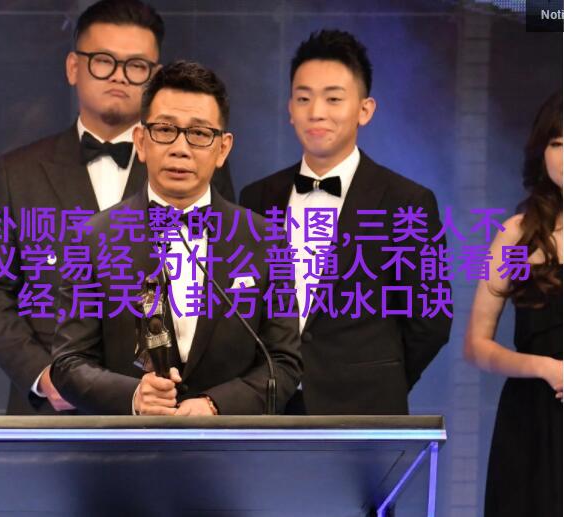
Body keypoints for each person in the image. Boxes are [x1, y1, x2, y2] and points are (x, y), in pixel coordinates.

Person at [0, 0, 235, 415]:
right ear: (74, 67)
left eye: (136, 66)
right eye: (104, 61)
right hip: (57, 408)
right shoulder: (18, 172)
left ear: (155, 77)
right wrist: (41, 374)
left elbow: (225, 278)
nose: (119, 76)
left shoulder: (196, 162)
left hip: (170, 406)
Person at [50, 60, 302, 416]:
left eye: (199, 133)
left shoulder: (265, 240)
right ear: (141, 141)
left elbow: (283, 362)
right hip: (126, 444)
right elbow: (68, 363)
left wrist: (217, 405)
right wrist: (134, 397)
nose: (180, 148)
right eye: (165, 130)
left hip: (229, 445)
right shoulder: (92, 239)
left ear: (223, 148)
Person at [240, 29, 452, 415]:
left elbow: (431, 318)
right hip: (268, 407)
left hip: (364, 408)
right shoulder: (257, 197)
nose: (316, 112)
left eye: (333, 98)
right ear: (290, 109)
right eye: (304, 98)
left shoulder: (408, 202)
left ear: (364, 110)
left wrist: (383, 380)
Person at [464, 91, 562, 517]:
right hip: (532, 417)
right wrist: (545, 367)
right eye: (557, 143)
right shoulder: (515, 234)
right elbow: (476, 346)